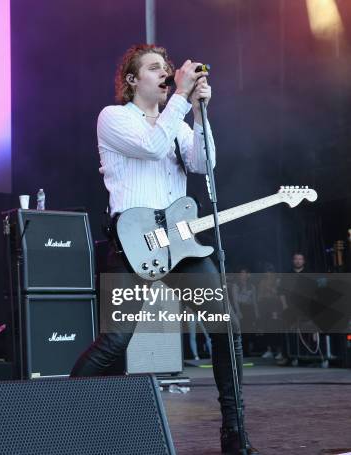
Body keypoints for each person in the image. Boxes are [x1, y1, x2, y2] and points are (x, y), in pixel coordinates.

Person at [69, 44, 258, 454]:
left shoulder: (178, 122)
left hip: (180, 243)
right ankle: (61, 416)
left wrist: (199, 112)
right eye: (155, 68)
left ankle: (234, 436)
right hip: (132, 242)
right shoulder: (114, 118)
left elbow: (204, 163)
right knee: (116, 341)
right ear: (133, 80)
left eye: (167, 68)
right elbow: (152, 146)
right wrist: (178, 100)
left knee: (226, 328)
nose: (165, 72)